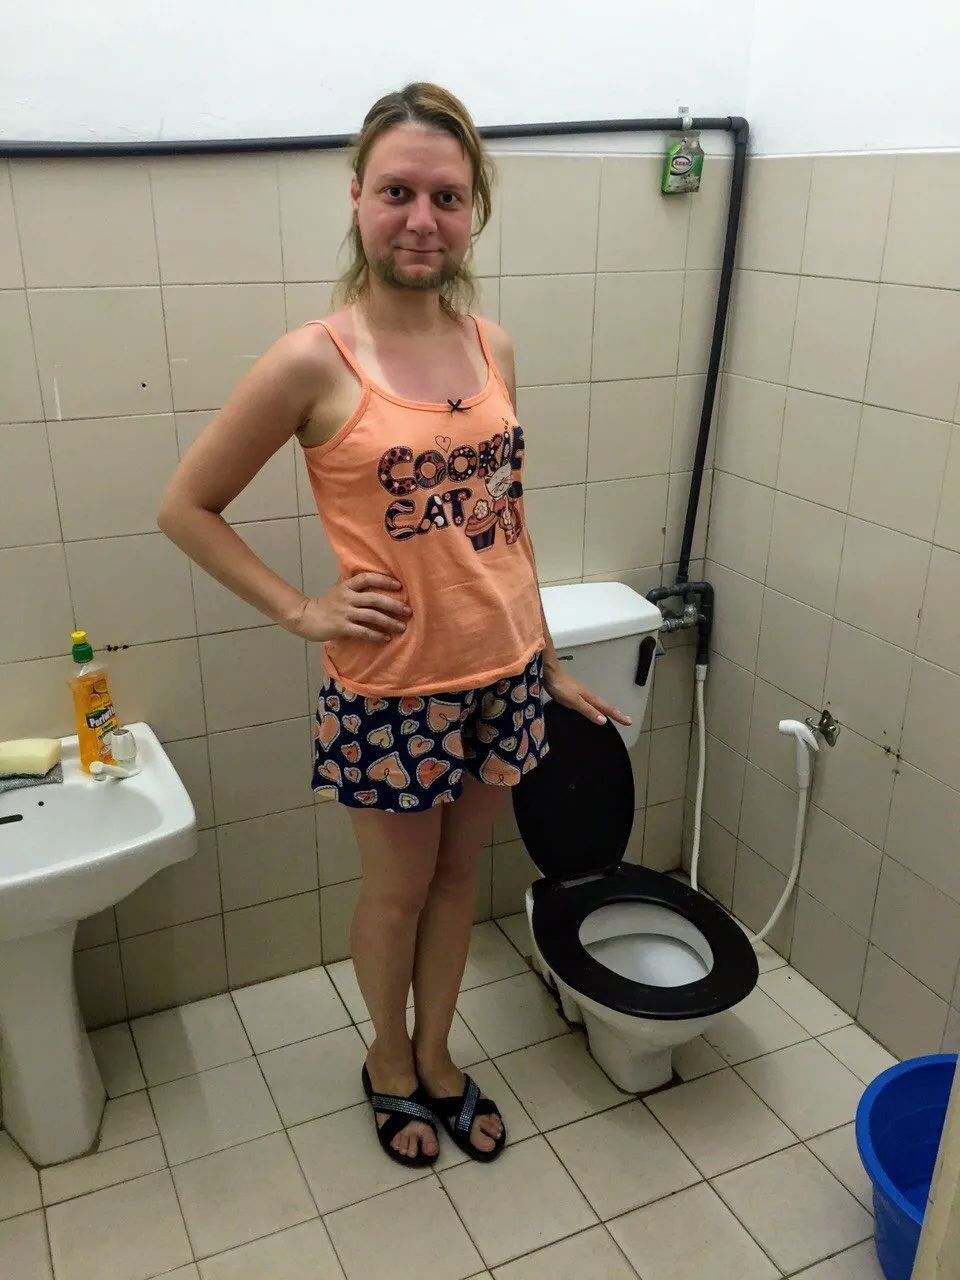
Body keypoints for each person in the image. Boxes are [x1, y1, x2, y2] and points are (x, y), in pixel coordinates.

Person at [158, 81, 630, 1167]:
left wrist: (545, 658)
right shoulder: (313, 359)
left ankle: (438, 1053)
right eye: (398, 192)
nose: (423, 219)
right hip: (392, 685)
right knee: (399, 888)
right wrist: (301, 609)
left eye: (447, 197)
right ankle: (387, 1059)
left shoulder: (492, 345)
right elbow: (186, 505)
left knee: (461, 881)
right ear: (358, 197)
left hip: (503, 673)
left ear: (475, 210)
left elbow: (503, 522)